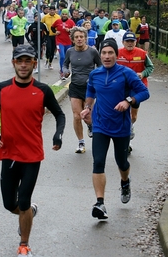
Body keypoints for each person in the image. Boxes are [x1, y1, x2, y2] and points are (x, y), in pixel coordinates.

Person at [0, 45, 65, 257]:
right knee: (10, 204)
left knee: (24, 199)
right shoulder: (2, 89)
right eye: (19, 61)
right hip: (9, 154)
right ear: (13, 63)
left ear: (34, 63)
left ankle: (24, 245)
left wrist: (58, 135)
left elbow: (60, 115)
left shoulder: (43, 90)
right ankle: (28, 213)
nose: (23, 65)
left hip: (32, 155)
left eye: (27, 61)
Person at [80, 38, 150, 219]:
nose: (107, 56)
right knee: (98, 162)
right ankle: (100, 203)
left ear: (116, 55)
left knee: (122, 162)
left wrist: (128, 101)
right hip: (100, 125)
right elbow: (90, 91)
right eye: (103, 53)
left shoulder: (126, 73)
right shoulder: (95, 74)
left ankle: (125, 182)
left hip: (121, 126)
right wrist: (87, 107)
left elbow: (144, 92)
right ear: (100, 55)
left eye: (110, 53)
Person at [62, 27, 101, 153]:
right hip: (75, 86)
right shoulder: (70, 51)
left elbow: (101, 66)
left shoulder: (92, 52)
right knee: (77, 116)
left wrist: (95, 77)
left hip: (90, 88)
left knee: (87, 116)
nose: (79, 39)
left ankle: (90, 125)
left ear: (85, 38)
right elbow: (65, 64)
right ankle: (81, 143)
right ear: (73, 39)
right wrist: (66, 71)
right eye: (76, 37)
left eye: (81, 37)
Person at [117, 31, 154, 153]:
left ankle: (131, 125)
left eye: (132, 41)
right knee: (122, 114)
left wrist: (142, 74)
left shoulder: (142, 54)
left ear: (135, 42)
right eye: (127, 41)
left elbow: (150, 67)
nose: (129, 43)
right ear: (123, 42)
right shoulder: (117, 53)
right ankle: (125, 142)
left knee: (133, 115)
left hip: (137, 88)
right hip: (121, 88)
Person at [51, 8, 75, 78]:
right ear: (61, 14)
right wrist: (55, 32)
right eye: (63, 14)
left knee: (67, 57)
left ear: (68, 15)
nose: (64, 15)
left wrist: (69, 30)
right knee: (62, 56)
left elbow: (75, 30)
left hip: (68, 42)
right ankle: (62, 72)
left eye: (65, 14)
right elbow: (52, 27)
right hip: (59, 41)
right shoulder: (58, 21)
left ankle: (65, 69)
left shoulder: (71, 22)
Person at [41, 5, 61, 69]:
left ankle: (50, 63)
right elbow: (41, 25)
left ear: (55, 10)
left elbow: (60, 25)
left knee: (53, 49)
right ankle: (47, 59)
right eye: (51, 10)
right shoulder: (45, 17)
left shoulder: (58, 17)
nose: (52, 11)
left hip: (55, 35)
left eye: (53, 10)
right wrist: (43, 33)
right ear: (49, 10)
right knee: (48, 48)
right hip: (48, 35)